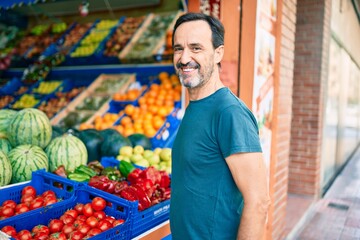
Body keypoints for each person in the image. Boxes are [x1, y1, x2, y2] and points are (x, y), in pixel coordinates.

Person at [170, 12, 271, 240]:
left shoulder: (229, 113)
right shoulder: (195, 105)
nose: (184, 58)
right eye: (178, 48)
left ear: (218, 53)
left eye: (196, 48)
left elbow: (258, 202)